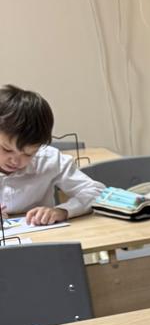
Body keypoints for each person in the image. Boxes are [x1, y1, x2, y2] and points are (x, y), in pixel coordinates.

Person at [0, 85, 103, 224]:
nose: (16, 161)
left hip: (42, 234)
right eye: (7, 149)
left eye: (28, 154)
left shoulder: (48, 159)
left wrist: (62, 211)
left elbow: (96, 192)